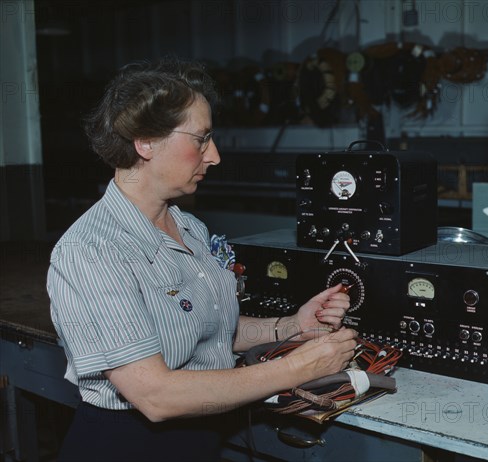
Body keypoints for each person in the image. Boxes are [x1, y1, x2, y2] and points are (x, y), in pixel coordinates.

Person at [47, 57, 358, 462]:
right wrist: (301, 368)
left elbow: (204, 332)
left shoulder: (189, 227)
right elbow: (155, 395)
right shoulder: (91, 251)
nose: (214, 156)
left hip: (202, 442)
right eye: (201, 139)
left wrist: (291, 326)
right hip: (129, 447)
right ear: (145, 142)